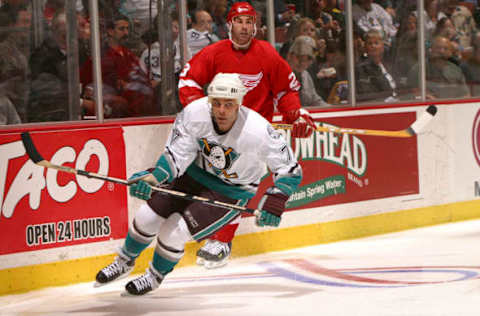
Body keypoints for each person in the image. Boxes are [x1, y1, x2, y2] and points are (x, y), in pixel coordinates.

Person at [95, 73, 302, 296]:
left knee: (172, 233)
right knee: (146, 217)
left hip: (230, 191)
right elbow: (177, 153)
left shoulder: (259, 130)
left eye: (229, 105)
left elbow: (290, 169)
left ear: (239, 104)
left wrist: (276, 200)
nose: (222, 110)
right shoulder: (194, 113)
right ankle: (124, 262)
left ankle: (154, 276)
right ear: (209, 101)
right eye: (217, 103)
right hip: (192, 175)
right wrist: (154, 178)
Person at [178, 2, 316, 269]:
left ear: (256, 26)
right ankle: (213, 234)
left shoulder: (267, 54)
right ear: (229, 24)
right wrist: (202, 112)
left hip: (253, 133)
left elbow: (285, 92)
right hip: (219, 129)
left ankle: (222, 241)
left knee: (240, 182)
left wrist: (295, 115)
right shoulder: (214, 53)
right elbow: (188, 81)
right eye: (239, 21)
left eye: (249, 22)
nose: (245, 27)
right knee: (212, 181)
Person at [81, 13, 156, 117]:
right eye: (122, 29)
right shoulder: (102, 56)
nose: (126, 33)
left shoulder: (128, 54)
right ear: (110, 31)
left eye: (127, 29)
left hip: (135, 99)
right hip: (115, 104)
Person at [356, 29, 398, 102]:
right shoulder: (361, 68)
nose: (373, 46)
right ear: (365, 47)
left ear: (382, 46)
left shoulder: (389, 63)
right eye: (370, 43)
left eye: (376, 43)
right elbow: (367, 94)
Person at [286, 35, 329, 107]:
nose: (302, 63)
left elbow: (314, 100)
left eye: (308, 59)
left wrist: (331, 109)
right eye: (299, 57)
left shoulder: (305, 75)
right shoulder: (277, 75)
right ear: (289, 55)